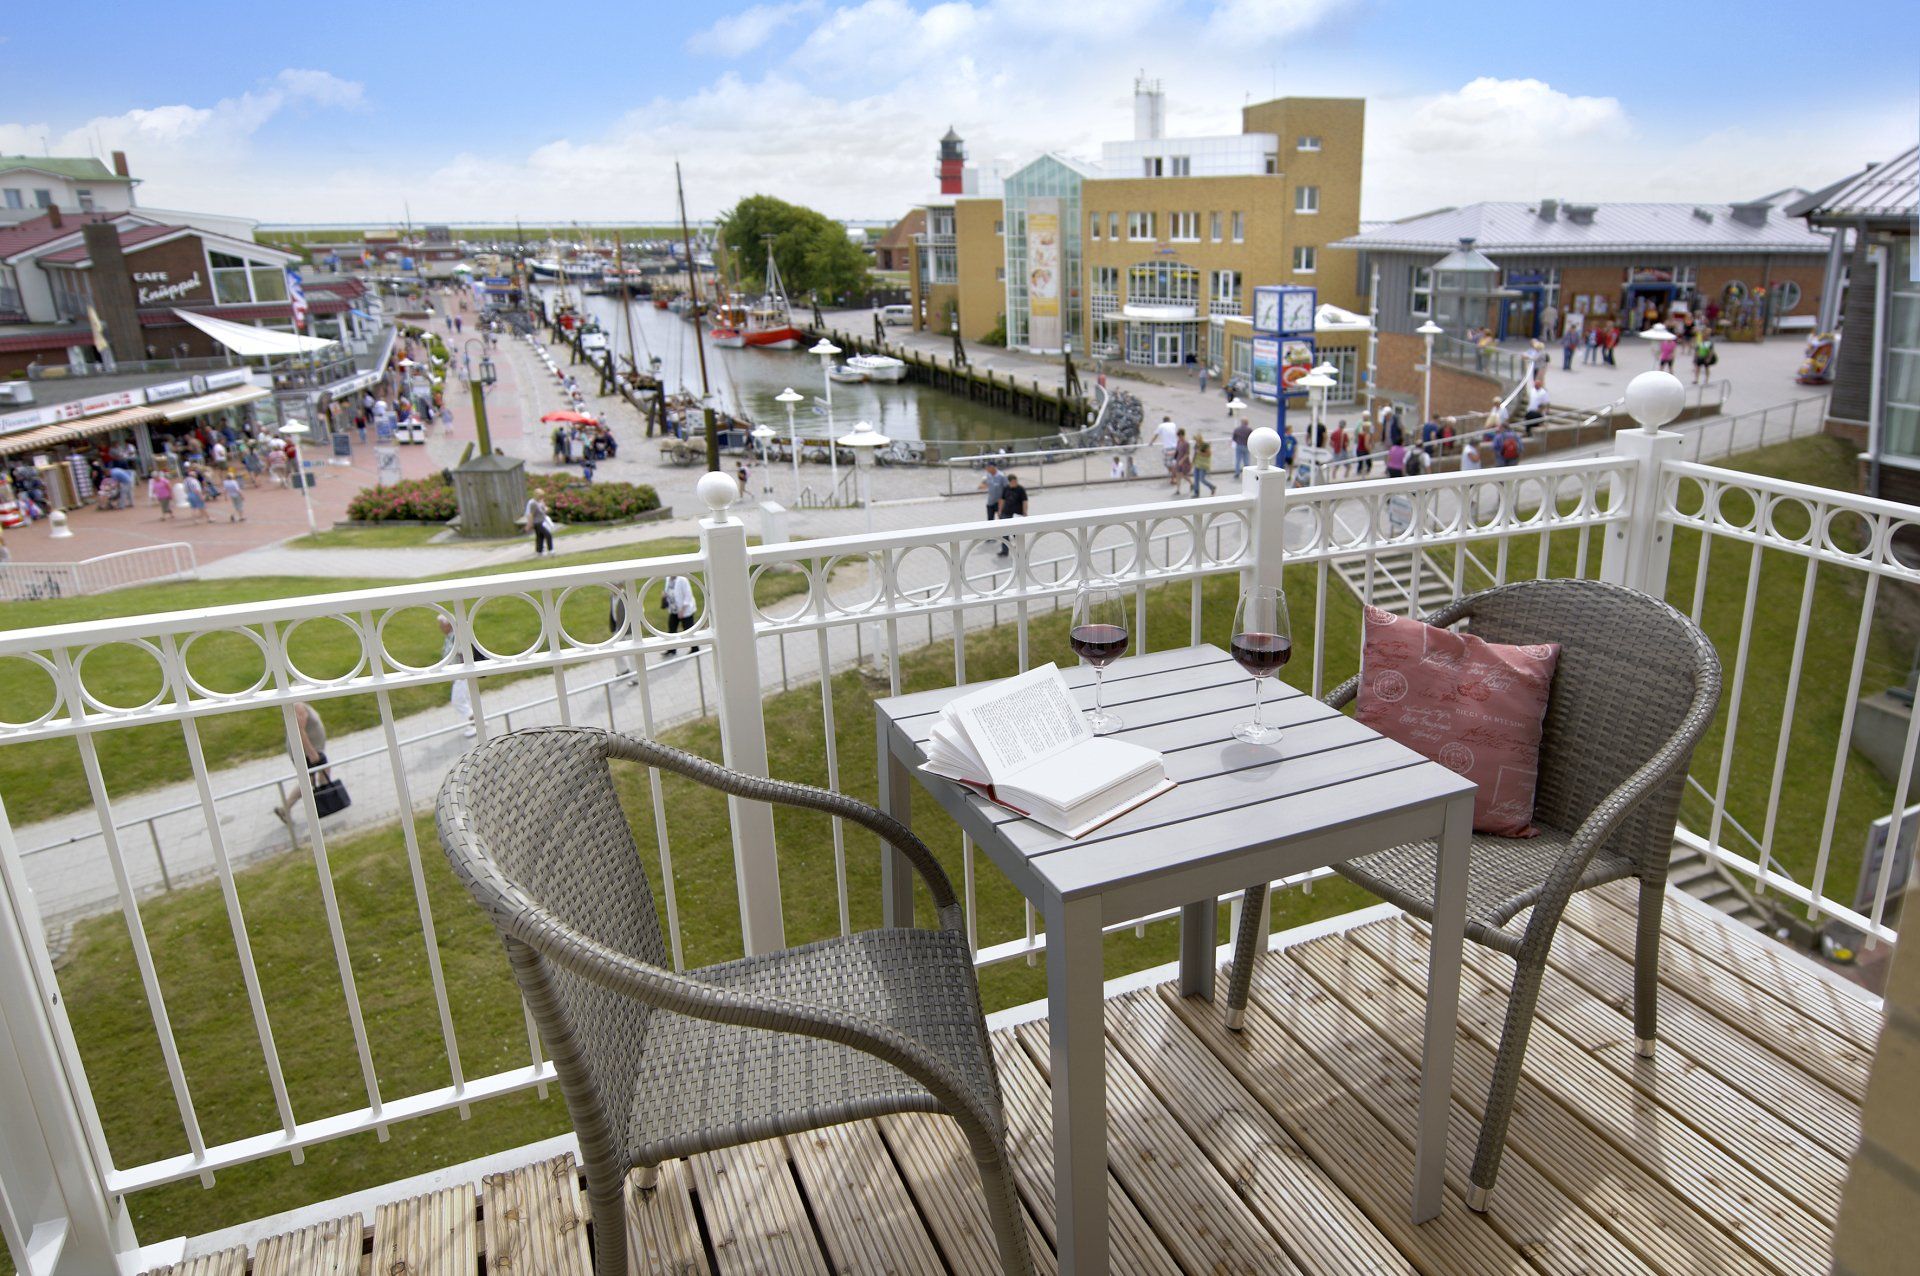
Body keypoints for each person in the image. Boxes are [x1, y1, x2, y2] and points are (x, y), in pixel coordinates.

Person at [271, 701, 331, 829]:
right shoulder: (298, 706)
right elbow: (299, 730)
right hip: (306, 752)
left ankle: (325, 799)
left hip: (310, 750)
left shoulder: (301, 705)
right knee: (308, 780)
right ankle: (326, 801)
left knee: (318, 773)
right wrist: (311, 752)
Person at [439, 615, 479, 737]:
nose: (440, 628)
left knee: (458, 701)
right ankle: (479, 720)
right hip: (457, 673)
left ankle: (474, 724)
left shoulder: (456, 637)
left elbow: (463, 653)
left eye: (441, 625)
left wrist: (462, 673)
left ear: (448, 625)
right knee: (467, 699)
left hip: (461, 674)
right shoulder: (450, 637)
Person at [661, 574, 696, 655]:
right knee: (671, 630)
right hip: (673, 610)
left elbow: (688, 595)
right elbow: (668, 590)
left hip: (685, 610)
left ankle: (695, 649)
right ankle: (671, 650)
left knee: (688, 630)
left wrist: (682, 610)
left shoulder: (683, 580)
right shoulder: (667, 578)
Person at [995, 472, 1027, 555]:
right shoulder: (1006, 488)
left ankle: (1021, 551)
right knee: (1005, 534)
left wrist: (1025, 512)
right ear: (1009, 482)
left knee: (1016, 534)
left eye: (1015, 481)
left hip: (1016, 515)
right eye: (1012, 482)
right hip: (1006, 513)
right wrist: (999, 511)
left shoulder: (1021, 489)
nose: (1014, 483)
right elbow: (1002, 500)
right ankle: (1005, 551)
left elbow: (1024, 501)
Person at [978, 460, 1007, 525]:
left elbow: (1006, 489)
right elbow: (986, 484)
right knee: (990, 521)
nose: (986, 468)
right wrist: (982, 486)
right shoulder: (988, 475)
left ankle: (1006, 534)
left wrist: (1003, 502)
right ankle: (991, 534)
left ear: (993, 467)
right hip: (990, 502)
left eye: (988, 467)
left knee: (1003, 520)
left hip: (1000, 502)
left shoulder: (1002, 476)